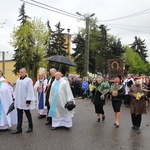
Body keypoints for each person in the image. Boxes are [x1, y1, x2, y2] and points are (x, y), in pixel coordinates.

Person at [11, 68, 35, 134]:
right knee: (19, 114)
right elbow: (16, 90)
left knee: (27, 114)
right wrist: (14, 98)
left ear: (25, 72)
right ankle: (19, 128)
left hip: (25, 100)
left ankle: (30, 126)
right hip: (19, 100)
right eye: (20, 72)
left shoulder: (28, 80)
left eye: (21, 72)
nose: (20, 73)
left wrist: (28, 101)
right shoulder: (18, 80)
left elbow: (30, 91)